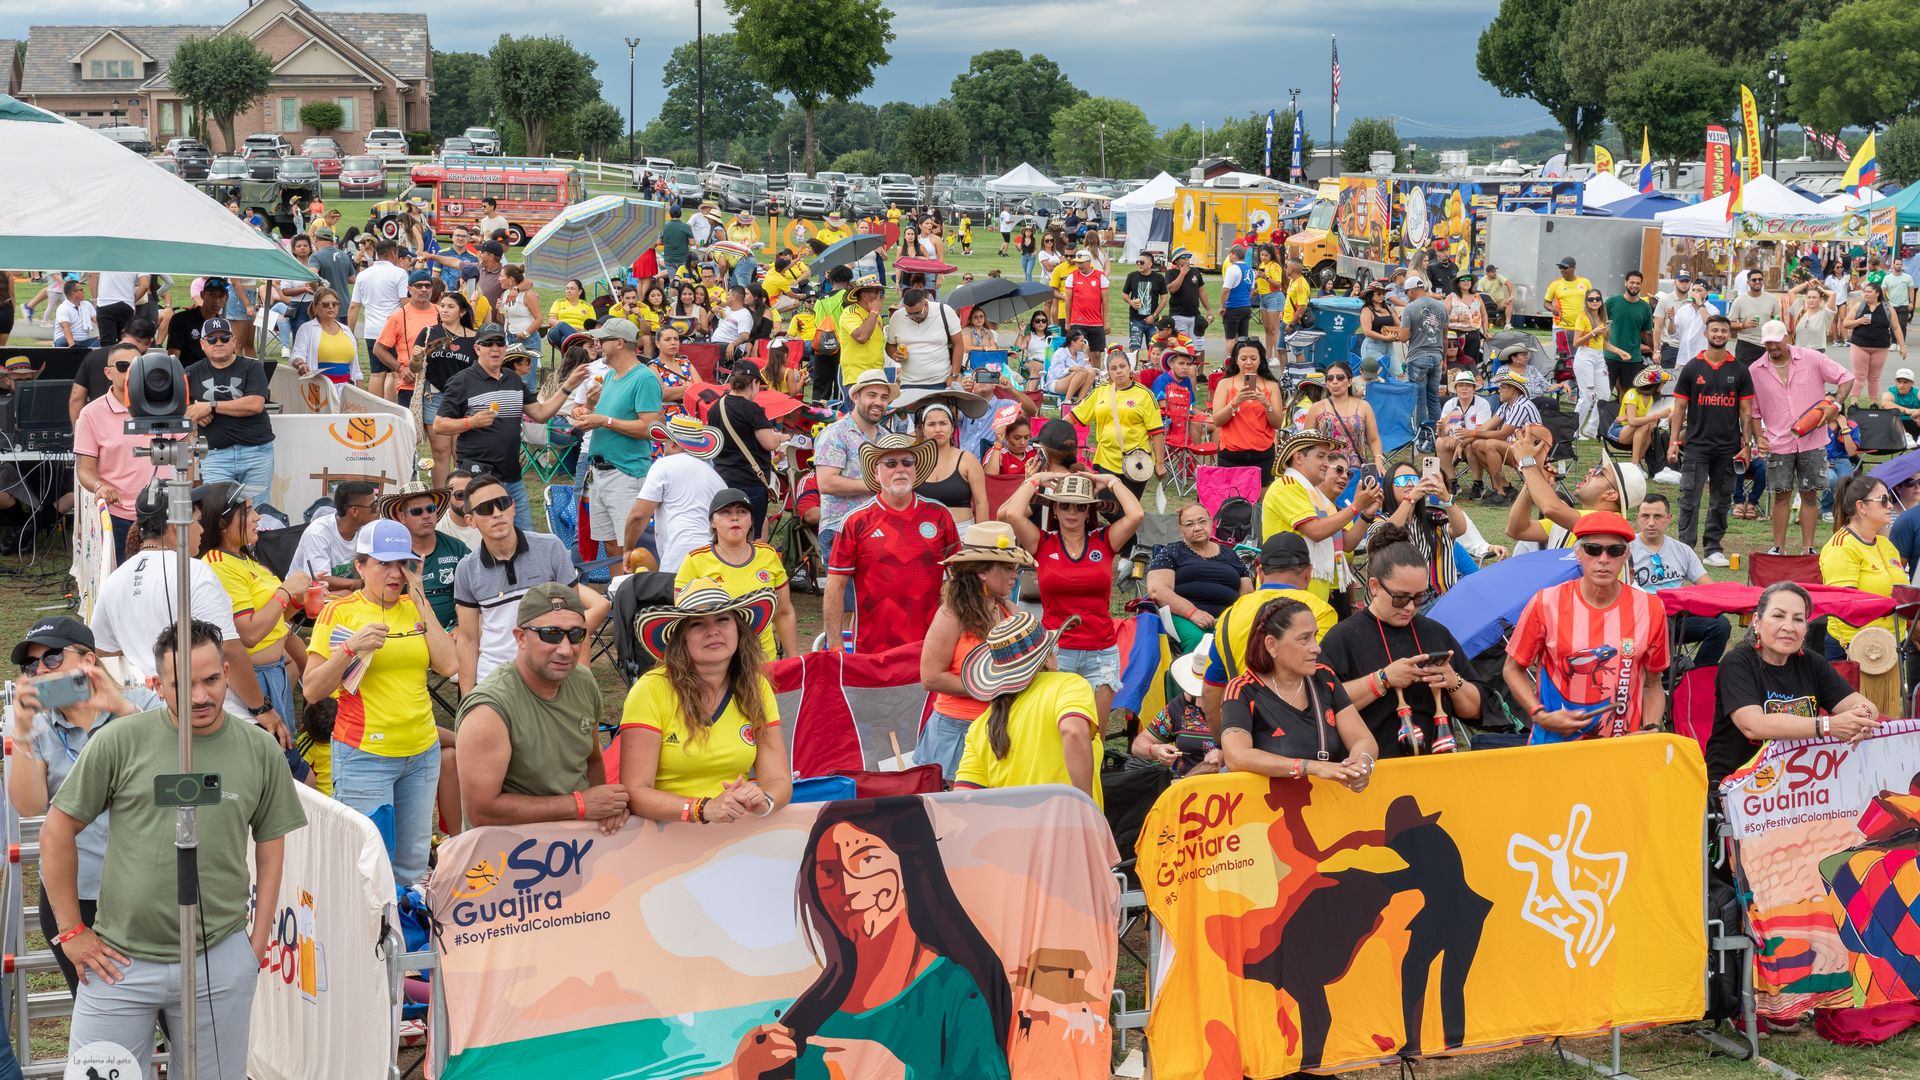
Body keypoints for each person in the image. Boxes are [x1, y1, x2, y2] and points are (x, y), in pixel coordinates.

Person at [46, 619, 304, 1079]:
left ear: (227, 672)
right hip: (117, 964)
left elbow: (270, 842)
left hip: (218, 960)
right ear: (158, 684)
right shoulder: (120, 741)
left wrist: (256, 945)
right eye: (182, 684)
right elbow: (57, 829)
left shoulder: (259, 750)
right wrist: (72, 932)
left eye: (211, 680)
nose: (201, 697)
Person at [725, 799, 1014, 1079]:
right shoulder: (811, 1013)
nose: (848, 888)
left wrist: (897, 1072)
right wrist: (749, 1071)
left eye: (867, 859)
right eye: (829, 871)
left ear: (910, 866)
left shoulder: (953, 990)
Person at [6, 618, 162, 993]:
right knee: (109, 1029)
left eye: (54, 658)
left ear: (90, 660)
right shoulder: (38, 727)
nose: (41, 670)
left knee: (175, 1017)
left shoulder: (141, 704)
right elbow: (29, 806)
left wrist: (119, 708)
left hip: (151, 888)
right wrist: (23, 735)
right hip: (76, 897)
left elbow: (172, 766)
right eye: (32, 665)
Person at [305, 520, 456, 884]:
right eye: (382, 564)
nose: (394, 573)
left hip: (421, 751)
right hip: (365, 756)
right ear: (360, 566)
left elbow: (450, 664)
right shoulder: (339, 612)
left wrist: (421, 600)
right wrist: (349, 648)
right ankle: (369, 940)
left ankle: (405, 937)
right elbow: (312, 690)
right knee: (368, 867)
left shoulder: (413, 606)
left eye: (400, 563)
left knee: (413, 863)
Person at [454, 583, 627, 832]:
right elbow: (481, 810)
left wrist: (603, 811)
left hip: (577, 841)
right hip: (509, 851)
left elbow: (592, 760)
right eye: (550, 634)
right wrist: (579, 805)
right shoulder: (488, 710)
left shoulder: (583, 681)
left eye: (576, 635)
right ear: (520, 638)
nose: (566, 649)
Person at [619, 579, 793, 818]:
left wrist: (765, 800)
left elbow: (778, 778)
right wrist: (702, 808)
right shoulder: (651, 690)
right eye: (697, 624)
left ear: (738, 630)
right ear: (681, 638)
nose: (713, 631)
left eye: (723, 619)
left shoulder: (756, 686)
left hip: (735, 830)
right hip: (664, 836)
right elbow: (635, 792)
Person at [1504, 512, 1670, 741]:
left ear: (1626, 556)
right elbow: (1512, 668)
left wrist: (1651, 728)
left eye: (1614, 551)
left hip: (1619, 749)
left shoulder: (1650, 608)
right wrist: (1539, 714)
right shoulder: (1546, 602)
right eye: (1593, 549)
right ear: (1578, 553)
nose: (1603, 559)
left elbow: (1653, 684)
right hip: (1553, 744)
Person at [999, 471, 1142, 722]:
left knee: (1094, 733)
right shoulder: (1041, 542)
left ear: (1089, 511)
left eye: (1080, 506)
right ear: (1054, 510)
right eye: (1064, 505)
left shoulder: (1103, 540)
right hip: (1056, 649)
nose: (1072, 512)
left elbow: (1136, 515)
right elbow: (1011, 514)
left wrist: (1111, 481)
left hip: (1101, 651)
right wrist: (1037, 478)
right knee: (1054, 728)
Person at [1707, 581, 1881, 787]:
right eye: (1778, 616)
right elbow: (1753, 725)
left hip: (1800, 782)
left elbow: (1864, 705)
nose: (1788, 627)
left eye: (1798, 619)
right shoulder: (1737, 663)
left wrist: (1861, 718)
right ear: (1757, 621)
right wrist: (1828, 726)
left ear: (1806, 628)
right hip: (1740, 783)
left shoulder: (1811, 662)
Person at [453, 472, 606, 692]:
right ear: (470, 520)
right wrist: (467, 699)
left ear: (513, 506)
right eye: (486, 509)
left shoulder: (550, 548)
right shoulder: (467, 568)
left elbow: (576, 621)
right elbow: (468, 641)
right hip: (494, 680)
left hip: (548, 673)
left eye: (502, 503)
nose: (497, 513)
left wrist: (582, 685)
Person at [196, 481, 312, 755]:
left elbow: (274, 618)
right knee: (273, 760)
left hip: (275, 675)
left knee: (283, 759)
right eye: (248, 510)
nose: (258, 517)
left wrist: (299, 599)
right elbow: (248, 634)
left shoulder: (247, 560)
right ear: (223, 523)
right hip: (252, 679)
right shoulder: (218, 564)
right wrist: (285, 591)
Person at [433, 326, 583, 532]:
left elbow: (540, 414)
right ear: (477, 348)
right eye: (488, 343)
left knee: (527, 535)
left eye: (500, 343)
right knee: (486, 536)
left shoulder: (512, 379)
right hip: (478, 477)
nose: (495, 348)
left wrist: (567, 387)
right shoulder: (462, 381)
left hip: (513, 477)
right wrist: (471, 422)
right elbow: (440, 424)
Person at [1219, 595, 1379, 787]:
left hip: (1325, 806)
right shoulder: (1242, 690)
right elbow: (1236, 756)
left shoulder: (1325, 678)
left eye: (1315, 636)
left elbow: (1363, 739)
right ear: (1271, 645)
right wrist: (1311, 767)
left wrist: (1362, 763)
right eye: (1304, 639)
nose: (1316, 648)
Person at [915, 522, 1032, 779]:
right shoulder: (951, 614)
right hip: (955, 733)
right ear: (982, 572)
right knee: (951, 814)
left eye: (1016, 567)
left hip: (1000, 729)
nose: (1015, 574)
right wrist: (991, 686)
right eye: (1008, 567)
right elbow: (931, 677)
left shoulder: (1009, 610)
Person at [949, 610, 1102, 807]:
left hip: (1013, 834)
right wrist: (1084, 805)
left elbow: (964, 797)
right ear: (1046, 659)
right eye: (1056, 650)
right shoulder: (1068, 685)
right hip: (1067, 829)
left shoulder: (981, 726)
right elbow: (1073, 731)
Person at [824, 432, 960, 653]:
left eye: (907, 462)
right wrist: (835, 644)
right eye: (890, 463)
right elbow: (835, 586)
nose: (900, 469)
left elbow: (959, 578)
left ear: (915, 471)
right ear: (876, 473)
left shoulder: (939, 514)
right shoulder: (855, 521)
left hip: (930, 646)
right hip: (872, 648)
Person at [1748, 318, 1855, 556]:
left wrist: (1835, 405)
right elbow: (1754, 411)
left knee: (1809, 493)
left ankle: (1808, 547)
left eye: (1777, 342)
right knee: (1781, 495)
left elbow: (1846, 377)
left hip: (1813, 440)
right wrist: (1758, 437)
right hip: (1778, 441)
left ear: (1788, 338)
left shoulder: (1812, 358)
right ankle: (1778, 547)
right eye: (1768, 343)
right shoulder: (1755, 370)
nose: (1772, 347)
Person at [569, 318, 664, 561]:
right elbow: (606, 416)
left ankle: (634, 597)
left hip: (625, 472)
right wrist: (588, 410)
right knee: (611, 547)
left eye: (603, 339)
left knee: (630, 549)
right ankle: (617, 596)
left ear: (620, 343)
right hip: (599, 472)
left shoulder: (644, 378)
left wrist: (603, 421)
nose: (597, 343)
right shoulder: (611, 376)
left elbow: (651, 428)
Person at [1667, 313, 1756, 567]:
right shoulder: (1693, 368)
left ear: (1730, 335)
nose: (1719, 335)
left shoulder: (1739, 370)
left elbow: (1746, 412)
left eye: (1723, 331)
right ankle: (1686, 550)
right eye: (1714, 330)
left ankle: (1713, 548)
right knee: (1689, 499)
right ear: (1706, 334)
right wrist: (1674, 443)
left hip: (1728, 448)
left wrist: (1747, 446)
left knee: (1721, 500)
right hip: (1696, 447)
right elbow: (1679, 409)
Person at [677, 487, 801, 659]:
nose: (734, 517)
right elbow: (682, 620)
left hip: (764, 662)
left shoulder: (768, 555)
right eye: (725, 512)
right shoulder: (695, 561)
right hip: (717, 664)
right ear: (712, 521)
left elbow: (784, 612)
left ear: (751, 520)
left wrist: (795, 660)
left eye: (742, 511)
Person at [1262, 431, 1381, 604]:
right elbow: (1315, 531)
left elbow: (1346, 543)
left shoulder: (1319, 497)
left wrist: (1366, 514)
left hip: (1314, 591)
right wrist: (1356, 506)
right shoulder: (1286, 486)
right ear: (1299, 458)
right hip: (1289, 594)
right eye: (1321, 456)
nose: (1326, 463)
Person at [74, 341, 166, 556]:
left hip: (166, 513)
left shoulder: (165, 403)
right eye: (123, 366)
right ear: (108, 372)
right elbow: (85, 469)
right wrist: (99, 487)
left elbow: (186, 454)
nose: (131, 372)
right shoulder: (91, 414)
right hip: (120, 516)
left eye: (137, 366)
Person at [1628, 493, 1730, 666]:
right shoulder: (1625, 550)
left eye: (1658, 516)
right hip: (1642, 617)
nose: (1651, 522)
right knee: (1660, 620)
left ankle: (1694, 678)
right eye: (1645, 516)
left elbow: (1708, 587)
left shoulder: (1682, 550)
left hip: (1679, 618)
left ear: (1668, 518)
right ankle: (1664, 676)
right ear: (1637, 518)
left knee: (1721, 626)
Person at [183, 316, 276, 503]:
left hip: (256, 453)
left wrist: (211, 406)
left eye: (224, 338)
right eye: (212, 339)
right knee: (218, 515)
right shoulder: (190, 372)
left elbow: (255, 404)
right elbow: (181, 409)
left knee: (256, 514)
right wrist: (196, 412)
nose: (218, 343)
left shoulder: (252, 367)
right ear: (202, 344)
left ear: (233, 341)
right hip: (216, 456)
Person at [624, 414, 729, 573]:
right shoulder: (717, 479)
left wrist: (628, 549)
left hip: (679, 556)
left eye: (665, 441)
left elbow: (638, 515)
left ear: (672, 444)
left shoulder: (664, 465)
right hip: (716, 557)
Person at [1148, 502, 1253, 656]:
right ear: (1181, 529)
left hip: (1228, 618)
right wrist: (1193, 612)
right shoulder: (1171, 552)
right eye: (1189, 524)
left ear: (1211, 522)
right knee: (1200, 643)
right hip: (1184, 616)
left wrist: (1233, 617)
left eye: (1202, 521)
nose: (1197, 528)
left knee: (1246, 642)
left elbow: (1247, 593)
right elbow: (1157, 590)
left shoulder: (1231, 555)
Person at [1820, 474, 1906, 661]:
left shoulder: (1885, 545)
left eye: (1890, 499)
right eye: (1883, 500)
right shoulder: (1841, 546)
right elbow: (1846, 605)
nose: (1890, 506)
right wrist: (1892, 606)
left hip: (1891, 644)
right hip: (1854, 648)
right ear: (1861, 507)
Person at [1365, 462, 1481, 600]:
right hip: (1399, 602)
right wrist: (1410, 499)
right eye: (1401, 480)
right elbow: (1385, 535)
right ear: (1389, 487)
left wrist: (1446, 497)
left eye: (1414, 480)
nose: (1409, 484)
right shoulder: (1380, 520)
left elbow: (1460, 529)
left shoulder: (1434, 518)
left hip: (1441, 599)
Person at [1071, 350, 1165, 502]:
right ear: (1108, 373)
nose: (1119, 371)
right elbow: (1074, 416)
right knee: (1106, 505)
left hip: (1136, 461)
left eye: (1122, 366)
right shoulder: (1100, 392)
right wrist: (1053, 430)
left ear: (1130, 368)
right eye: (1113, 368)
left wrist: (1160, 463)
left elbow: (1157, 431)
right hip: (1105, 459)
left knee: (1128, 508)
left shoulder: (1145, 394)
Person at [377, 480, 467, 630]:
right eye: (417, 511)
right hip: (407, 632)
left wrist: (460, 626)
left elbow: (475, 592)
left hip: (455, 631)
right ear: (402, 517)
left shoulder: (456, 547)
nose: (426, 515)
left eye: (430, 509)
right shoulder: (391, 555)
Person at [1301, 360, 1387, 476]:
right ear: (1326, 383)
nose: (1334, 382)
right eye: (1330, 378)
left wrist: (1378, 460)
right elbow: (1307, 443)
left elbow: (1374, 439)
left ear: (1350, 381)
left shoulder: (1363, 406)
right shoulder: (1317, 408)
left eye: (1340, 378)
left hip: (1357, 470)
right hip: (1326, 470)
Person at [909, 401, 989, 526]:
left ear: (952, 427)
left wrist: (980, 538)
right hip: (923, 532)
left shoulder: (967, 460)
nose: (938, 429)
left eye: (943, 423)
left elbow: (981, 502)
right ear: (923, 429)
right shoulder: (914, 462)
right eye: (931, 424)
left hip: (961, 532)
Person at [291, 479, 379, 587]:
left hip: (339, 594)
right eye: (373, 506)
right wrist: (361, 584)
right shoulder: (318, 533)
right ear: (354, 511)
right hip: (305, 595)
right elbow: (320, 579)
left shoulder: (365, 530)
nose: (377, 510)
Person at [886, 286, 965, 390]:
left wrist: (953, 375)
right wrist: (894, 354)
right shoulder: (897, 317)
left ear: (926, 304)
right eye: (909, 314)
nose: (914, 317)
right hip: (908, 383)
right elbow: (890, 345)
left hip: (941, 381)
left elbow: (958, 344)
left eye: (918, 313)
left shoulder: (944, 311)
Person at [1843, 280, 1907, 403]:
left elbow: (1896, 327)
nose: (1865, 294)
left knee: (1874, 377)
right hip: (1860, 345)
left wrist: (1902, 346)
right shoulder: (1859, 306)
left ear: (1877, 293)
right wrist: (1858, 322)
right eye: (1865, 291)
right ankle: (1854, 403)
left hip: (1880, 347)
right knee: (1859, 376)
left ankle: (1873, 403)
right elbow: (1846, 323)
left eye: (1869, 292)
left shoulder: (1888, 308)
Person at [1401, 275, 1448, 434]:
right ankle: (1437, 435)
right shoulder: (1441, 306)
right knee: (1433, 398)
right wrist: (1445, 359)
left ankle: (1422, 437)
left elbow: (1403, 337)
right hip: (1437, 356)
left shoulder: (1410, 308)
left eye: (1407, 292)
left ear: (1412, 291)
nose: (1407, 295)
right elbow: (1445, 335)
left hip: (1418, 357)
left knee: (1420, 401)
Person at [1436, 370, 1492, 492]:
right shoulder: (1450, 404)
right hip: (1455, 441)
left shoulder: (1482, 404)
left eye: (1468, 385)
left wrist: (1461, 443)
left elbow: (1481, 432)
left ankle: (1478, 484)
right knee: (1440, 442)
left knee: (1471, 445)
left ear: (1474, 389)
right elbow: (1441, 434)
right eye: (1460, 385)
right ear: (1456, 389)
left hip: (1475, 441)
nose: (1464, 389)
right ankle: (1452, 482)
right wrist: (1440, 428)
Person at [1604, 271, 1656, 394]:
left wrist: (1654, 349)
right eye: (1632, 282)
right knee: (1606, 391)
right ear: (1625, 283)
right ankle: (1600, 413)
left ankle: (1625, 414)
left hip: (1632, 357)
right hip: (1611, 356)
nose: (1635, 285)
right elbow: (1601, 324)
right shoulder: (1612, 302)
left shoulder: (1645, 307)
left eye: (1638, 283)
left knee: (1627, 393)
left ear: (1641, 285)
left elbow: (1646, 333)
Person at [835, 275, 889, 387]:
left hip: (877, 374)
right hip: (857, 376)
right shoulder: (850, 312)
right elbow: (861, 337)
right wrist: (874, 311)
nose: (882, 297)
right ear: (865, 296)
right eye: (879, 292)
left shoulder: (875, 315)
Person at [1727, 267, 1779, 365]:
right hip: (1746, 343)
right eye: (1754, 280)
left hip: (1767, 344)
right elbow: (1729, 324)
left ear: (1763, 281)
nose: (1757, 282)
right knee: (1745, 377)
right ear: (1748, 283)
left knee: (1765, 378)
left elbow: (1777, 320)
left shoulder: (1772, 299)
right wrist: (1743, 325)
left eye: (1760, 279)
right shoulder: (1739, 300)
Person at [1543, 256, 1592, 359]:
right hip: (1561, 326)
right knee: (1561, 357)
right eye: (1560, 268)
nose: (1562, 270)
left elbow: (1591, 300)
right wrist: (1553, 309)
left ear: (1573, 268)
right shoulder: (1555, 284)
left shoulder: (1585, 282)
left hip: (1581, 326)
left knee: (1580, 357)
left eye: (1565, 268)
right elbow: (1546, 303)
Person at [1164, 247, 1209, 338]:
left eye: (1188, 256)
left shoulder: (1195, 271)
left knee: (1197, 346)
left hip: (1195, 315)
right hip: (1178, 315)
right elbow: (1172, 289)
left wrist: (1208, 309)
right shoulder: (1170, 273)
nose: (1186, 259)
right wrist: (1182, 274)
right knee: (1182, 346)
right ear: (1176, 260)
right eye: (1183, 257)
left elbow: (1202, 292)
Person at [1446, 274, 1488, 366]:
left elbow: (1484, 315)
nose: (1466, 281)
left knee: (1471, 363)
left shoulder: (1477, 297)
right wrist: (1457, 318)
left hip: (1473, 335)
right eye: (1463, 279)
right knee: (1455, 363)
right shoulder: (1452, 297)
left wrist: (1485, 331)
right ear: (1458, 283)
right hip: (1455, 336)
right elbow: (1443, 316)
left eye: (1468, 279)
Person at [1046, 328, 1097, 402]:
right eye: (1081, 341)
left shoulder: (1081, 355)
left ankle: (1079, 402)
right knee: (1081, 372)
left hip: (1077, 383)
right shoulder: (1060, 353)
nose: (1084, 344)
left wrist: (1086, 356)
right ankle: (1067, 401)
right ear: (1073, 342)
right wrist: (1070, 369)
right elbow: (1055, 374)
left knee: (1091, 371)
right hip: (1057, 382)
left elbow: (1089, 372)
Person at [1881, 368, 1920, 439]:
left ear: (1912, 383)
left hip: (1914, 423)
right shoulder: (1890, 393)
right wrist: (1907, 410)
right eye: (1899, 381)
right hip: (1896, 425)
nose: (1901, 385)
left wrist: (1917, 412)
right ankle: (1906, 438)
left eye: (1905, 382)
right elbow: (1884, 403)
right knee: (1893, 413)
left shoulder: (1917, 393)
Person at [1475, 263, 1513, 329]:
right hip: (1488, 303)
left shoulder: (1499, 277)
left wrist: (1511, 296)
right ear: (1487, 273)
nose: (1495, 273)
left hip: (1499, 301)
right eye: (1493, 272)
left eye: (1495, 271)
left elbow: (1508, 283)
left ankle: (1507, 324)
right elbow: (1480, 294)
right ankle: (1480, 323)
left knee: (1509, 303)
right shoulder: (1482, 281)